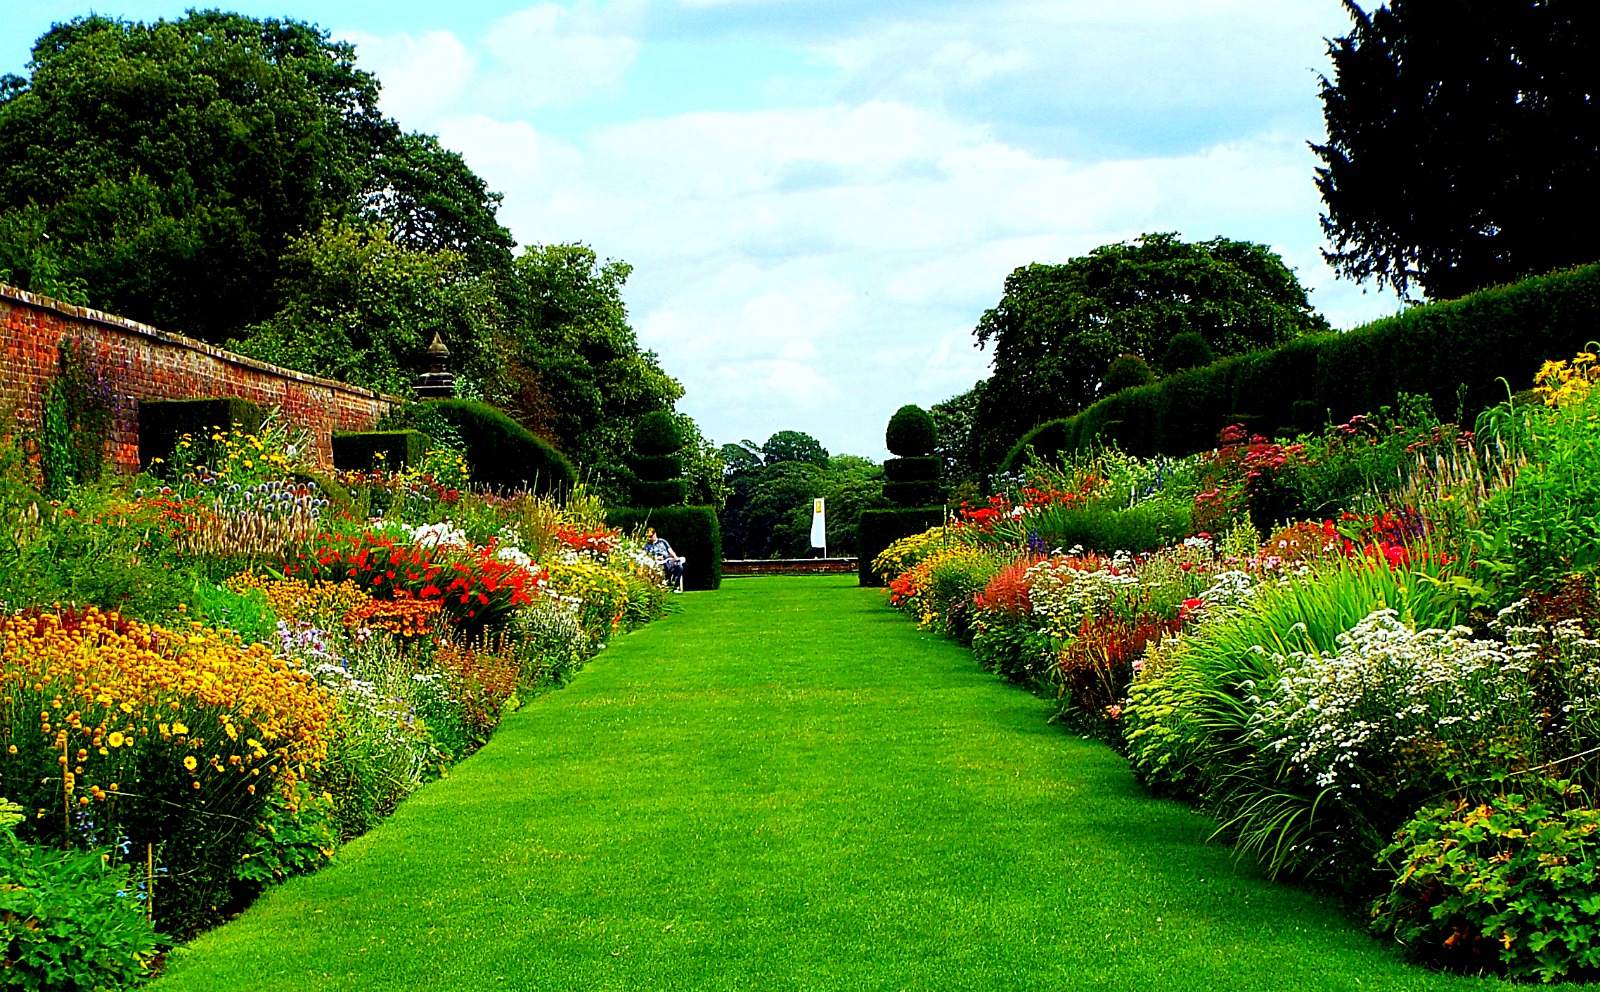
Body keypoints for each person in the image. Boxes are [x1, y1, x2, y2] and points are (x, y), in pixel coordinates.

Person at [644, 526, 686, 591]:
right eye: (648, 537)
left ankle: (674, 585)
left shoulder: (662, 541)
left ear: (655, 534)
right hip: (656, 563)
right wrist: (656, 558)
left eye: (651, 536)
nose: (649, 538)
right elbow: (646, 557)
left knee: (679, 566)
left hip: (667, 560)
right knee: (664, 566)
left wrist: (675, 557)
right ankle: (666, 584)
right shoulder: (647, 546)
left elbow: (670, 550)